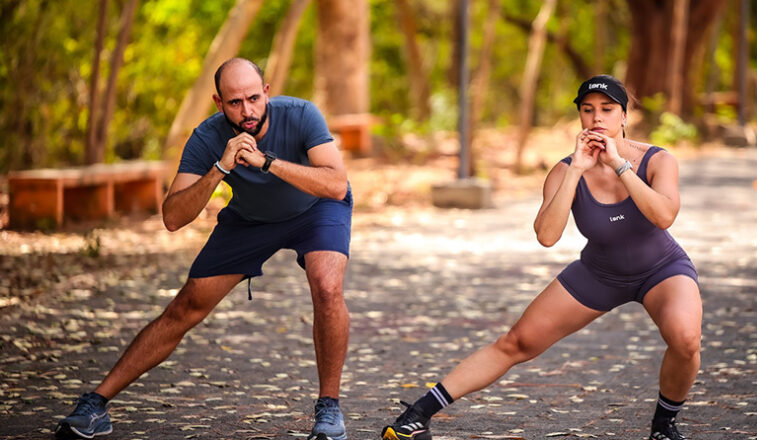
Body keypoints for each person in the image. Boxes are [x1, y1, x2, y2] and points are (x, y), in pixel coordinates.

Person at [380, 75, 701, 440]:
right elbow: (547, 236)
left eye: (607, 110)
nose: (597, 118)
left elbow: (663, 216)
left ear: (624, 117)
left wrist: (619, 166)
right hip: (599, 273)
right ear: (579, 117)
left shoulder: (657, 160)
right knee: (516, 342)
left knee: (686, 338)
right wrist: (577, 170)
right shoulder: (565, 170)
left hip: (661, 269)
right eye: (588, 110)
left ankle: (663, 426)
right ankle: (417, 414)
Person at [56, 58, 353, 440]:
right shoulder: (207, 137)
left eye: (252, 98)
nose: (246, 111)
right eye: (234, 102)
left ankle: (329, 411)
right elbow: (173, 217)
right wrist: (219, 168)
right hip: (250, 221)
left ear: (266, 93)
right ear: (219, 103)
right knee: (186, 306)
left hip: (316, 209)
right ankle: (95, 404)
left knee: (327, 286)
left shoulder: (301, 115)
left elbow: (336, 185)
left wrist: (267, 163)